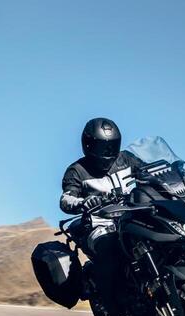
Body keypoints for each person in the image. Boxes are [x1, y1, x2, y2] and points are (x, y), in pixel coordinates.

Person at [60, 117, 143, 305]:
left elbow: (149, 172)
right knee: (109, 249)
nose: (108, 152)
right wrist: (83, 202)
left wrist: (175, 175)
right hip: (100, 224)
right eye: (102, 148)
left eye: (112, 146)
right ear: (88, 145)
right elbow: (66, 199)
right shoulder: (77, 171)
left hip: (131, 217)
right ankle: (113, 303)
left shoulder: (126, 159)